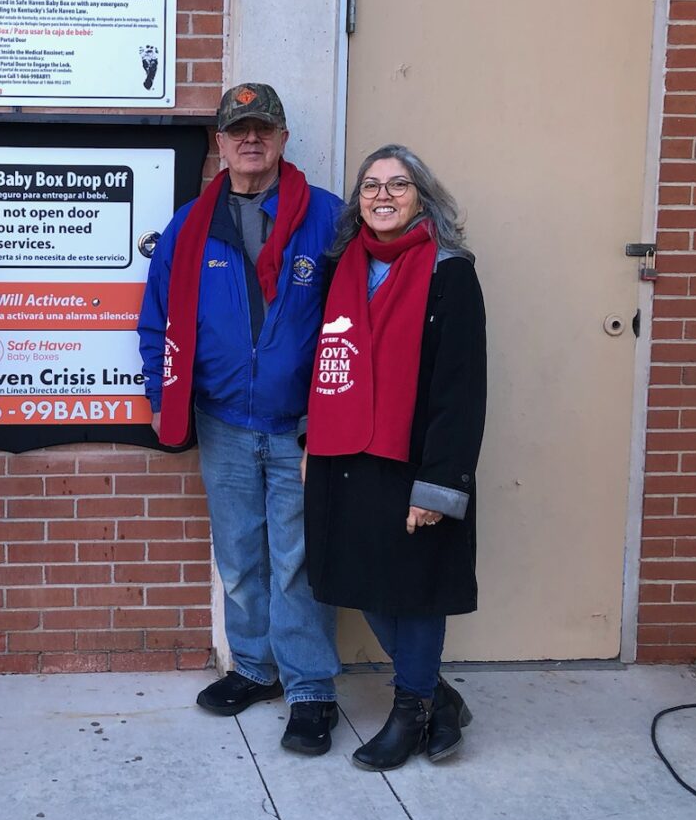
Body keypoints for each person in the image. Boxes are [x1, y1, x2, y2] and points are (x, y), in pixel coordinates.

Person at [137, 83, 345, 756]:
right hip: (224, 421)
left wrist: (335, 411)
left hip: (301, 426)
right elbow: (156, 322)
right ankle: (255, 667)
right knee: (239, 558)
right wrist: (160, 394)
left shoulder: (329, 220)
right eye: (238, 131)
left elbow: (356, 328)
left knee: (297, 562)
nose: (251, 140)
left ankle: (311, 688)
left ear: (283, 139)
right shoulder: (189, 228)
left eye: (264, 129)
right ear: (219, 144)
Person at [301, 144, 487, 771]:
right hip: (347, 454)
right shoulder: (341, 266)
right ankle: (436, 696)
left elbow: (460, 390)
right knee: (366, 581)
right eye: (371, 185)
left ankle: (410, 710)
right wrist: (310, 443)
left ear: (421, 196)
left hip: (415, 460)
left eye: (398, 185)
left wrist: (438, 486)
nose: (382, 196)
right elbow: (320, 364)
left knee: (416, 589)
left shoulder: (450, 272)